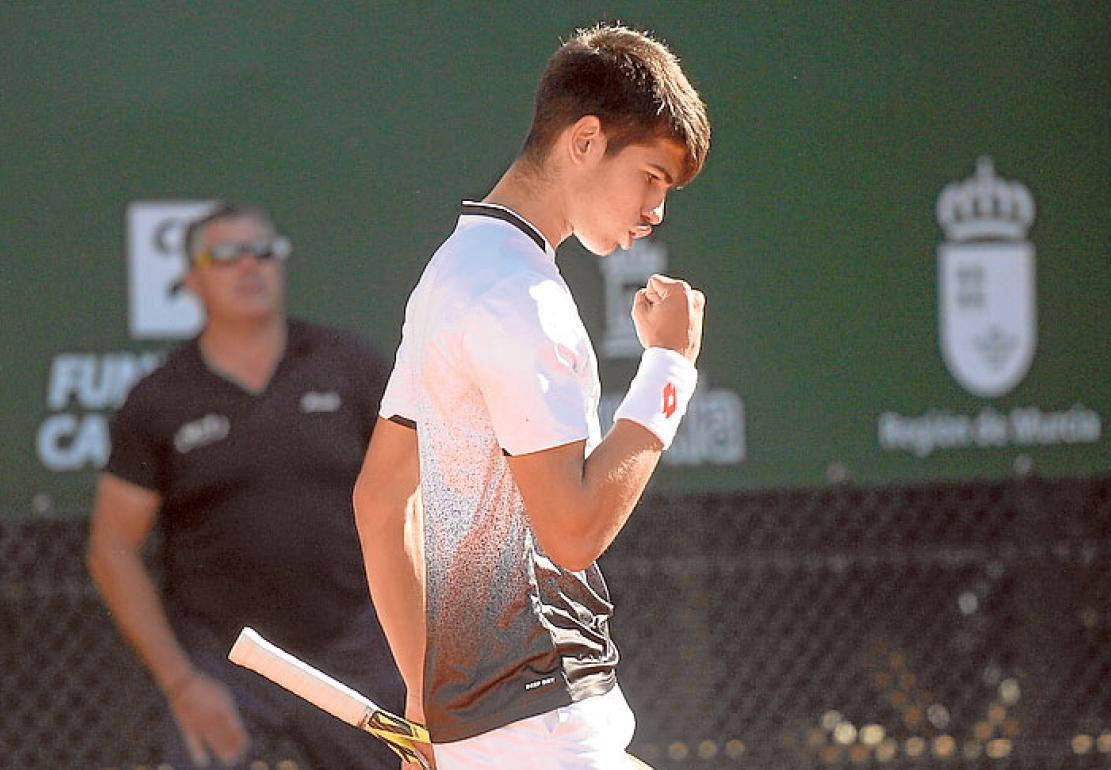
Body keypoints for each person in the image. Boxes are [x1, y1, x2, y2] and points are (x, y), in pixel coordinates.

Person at [353, 24, 711, 770]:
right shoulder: (521, 298)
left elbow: (380, 504)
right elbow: (573, 532)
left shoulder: (453, 273)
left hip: (505, 734)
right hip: (546, 732)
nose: (657, 211)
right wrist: (669, 368)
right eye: (651, 176)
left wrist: (429, 703)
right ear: (585, 141)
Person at [86, 203, 404, 770]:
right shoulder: (159, 400)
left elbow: (415, 496)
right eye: (226, 255)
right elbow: (111, 549)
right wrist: (184, 684)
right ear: (190, 280)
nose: (248, 267)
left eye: (262, 251)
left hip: (355, 651)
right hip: (224, 664)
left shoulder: (347, 367)